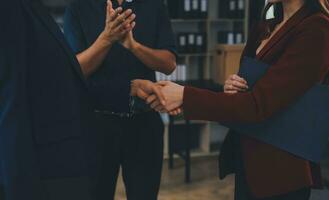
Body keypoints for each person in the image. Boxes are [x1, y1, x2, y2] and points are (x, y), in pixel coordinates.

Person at [132, 0, 329, 199]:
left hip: (280, 173)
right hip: (249, 159)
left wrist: (184, 97)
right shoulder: (268, 23)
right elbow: (250, 82)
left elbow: (257, 105)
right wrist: (233, 85)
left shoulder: (317, 29)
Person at [63, 0, 177, 199]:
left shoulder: (154, 5)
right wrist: (107, 38)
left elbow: (169, 64)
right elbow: (74, 71)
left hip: (144, 122)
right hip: (96, 125)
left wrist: (133, 46)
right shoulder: (79, 6)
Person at [0, 0, 97, 200]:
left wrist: (129, 91)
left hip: (64, 169)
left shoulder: (35, 10)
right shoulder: (10, 8)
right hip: (47, 177)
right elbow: (11, 108)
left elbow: (58, 86)